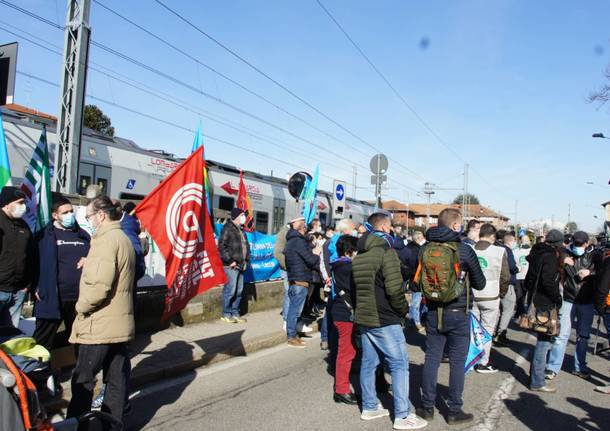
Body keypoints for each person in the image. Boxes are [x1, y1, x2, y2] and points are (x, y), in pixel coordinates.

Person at [352, 212, 427, 430]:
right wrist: (404, 311)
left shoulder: (360, 256)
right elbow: (395, 291)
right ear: (385, 228)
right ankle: (402, 415)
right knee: (399, 363)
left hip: (365, 317)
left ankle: (369, 406)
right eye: (391, 228)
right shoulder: (387, 253)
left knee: (369, 362)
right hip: (385, 318)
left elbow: (356, 291)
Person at [66, 196, 135, 428]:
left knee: (83, 380)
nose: (89, 221)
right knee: (116, 380)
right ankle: (113, 425)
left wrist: (80, 307)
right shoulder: (122, 237)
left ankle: (77, 425)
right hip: (118, 323)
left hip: (100, 324)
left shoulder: (105, 241)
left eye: (89, 217)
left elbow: (99, 286)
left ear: (101, 215)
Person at [416, 208, 486, 426]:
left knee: (431, 359)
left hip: (432, 312)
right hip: (458, 314)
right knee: (457, 362)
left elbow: (416, 281)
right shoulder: (464, 250)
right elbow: (480, 283)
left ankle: (427, 407)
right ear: (456, 225)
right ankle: (454, 410)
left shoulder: (425, 248)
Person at [33, 196, 90, 351]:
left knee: (80, 340)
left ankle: (81, 372)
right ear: (55, 215)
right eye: (65, 212)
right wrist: (35, 286)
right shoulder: (43, 237)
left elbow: (97, 258)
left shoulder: (84, 235)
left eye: (71, 211)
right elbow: (33, 264)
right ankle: (39, 373)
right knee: (42, 342)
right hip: (52, 297)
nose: (70, 214)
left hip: (79, 299)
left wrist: (89, 259)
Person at [546, 231, 596, 380]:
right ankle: (552, 367)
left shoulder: (595, 256)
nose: (578, 246)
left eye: (581, 244)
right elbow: (548, 261)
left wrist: (590, 272)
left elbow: (603, 272)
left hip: (586, 301)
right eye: (576, 243)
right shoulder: (563, 253)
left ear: (587, 244)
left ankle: (580, 367)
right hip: (568, 299)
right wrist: (562, 261)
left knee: (583, 336)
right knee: (561, 336)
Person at [528, 229, 564, 393]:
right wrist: (557, 298)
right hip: (545, 303)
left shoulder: (536, 253)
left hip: (535, 299)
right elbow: (548, 281)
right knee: (544, 342)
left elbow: (530, 279)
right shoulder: (550, 257)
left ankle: (536, 377)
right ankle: (537, 381)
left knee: (542, 340)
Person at [472, 223, 509, 373]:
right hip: (491, 295)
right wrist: (502, 293)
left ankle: (471, 358)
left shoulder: (469, 249)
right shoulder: (500, 251)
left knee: (473, 329)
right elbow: (505, 277)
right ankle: (483, 362)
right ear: (493, 236)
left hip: (472, 295)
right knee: (487, 329)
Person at [328, 235, 359, 405]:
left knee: (349, 351)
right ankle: (341, 390)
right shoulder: (347, 268)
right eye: (356, 252)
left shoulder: (340, 265)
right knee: (346, 353)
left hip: (342, 311)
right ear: (348, 252)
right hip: (345, 314)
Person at [0, 186, 35, 328]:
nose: (24, 207)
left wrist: (26, 286)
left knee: (10, 337)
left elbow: (31, 256)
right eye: (20, 202)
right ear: (7, 203)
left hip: (18, 292)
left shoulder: (24, 226)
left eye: (24, 203)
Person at [284, 217, 321, 348]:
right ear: (301, 228)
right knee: (295, 311)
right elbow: (311, 260)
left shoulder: (290, 241)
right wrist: (316, 253)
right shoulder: (299, 242)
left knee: (294, 311)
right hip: (300, 280)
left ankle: (293, 335)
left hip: (295, 279)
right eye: (305, 227)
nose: (306, 229)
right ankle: (291, 337)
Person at [218, 208, 251, 324]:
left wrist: (247, 259)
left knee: (239, 291)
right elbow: (222, 247)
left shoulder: (241, 230)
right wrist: (230, 260)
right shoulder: (228, 228)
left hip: (241, 265)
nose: (244, 217)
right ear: (236, 216)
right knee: (230, 290)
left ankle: (235, 313)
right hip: (231, 265)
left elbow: (246, 246)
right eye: (242, 215)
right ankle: (226, 313)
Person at [494, 231, 520, 345]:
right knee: (508, 309)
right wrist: (518, 269)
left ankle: (494, 331)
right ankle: (501, 333)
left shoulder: (496, 248)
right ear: (511, 241)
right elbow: (511, 267)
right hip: (507, 283)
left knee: (498, 310)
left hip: (496, 283)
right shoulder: (507, 250)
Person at [407, 231, 427, 333]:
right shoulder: (417, 250)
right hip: (417, 280)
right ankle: (416, 323)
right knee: (416, 303)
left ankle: (413, 320)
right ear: (419, 238)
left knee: (419, 302)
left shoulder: (409, 248)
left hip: (415, 279)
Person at [274, 222, 291, 330]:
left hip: (295, 269)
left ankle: (293, 319)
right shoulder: (284, 233)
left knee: (295, 294)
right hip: (288, 269)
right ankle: (286, 319)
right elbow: (277, 253)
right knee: (289, 293)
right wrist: (287, 266)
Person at [513, 235, 532, 318]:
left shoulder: (515, 251)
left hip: (523, 276)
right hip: (522, 277)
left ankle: (520, 313)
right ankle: (522, 313)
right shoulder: (531, 251)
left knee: (521, 296)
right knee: (521, 296)